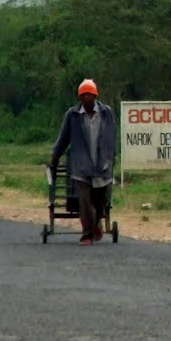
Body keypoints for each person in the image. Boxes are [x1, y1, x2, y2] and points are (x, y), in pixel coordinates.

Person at [49, 78, 117, 246]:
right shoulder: (72, 115)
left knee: (100, 202)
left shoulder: (106, 112)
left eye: (90, 94)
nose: (87, 97)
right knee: (85, 202)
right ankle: (87, 234)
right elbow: (63, 139)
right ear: (80, 97)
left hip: (102, 165)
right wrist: (55, 158)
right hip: (81, 166)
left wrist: (112, 156)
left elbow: (113, 137)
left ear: (95, 96)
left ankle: (96, 226)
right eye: (84, 95)